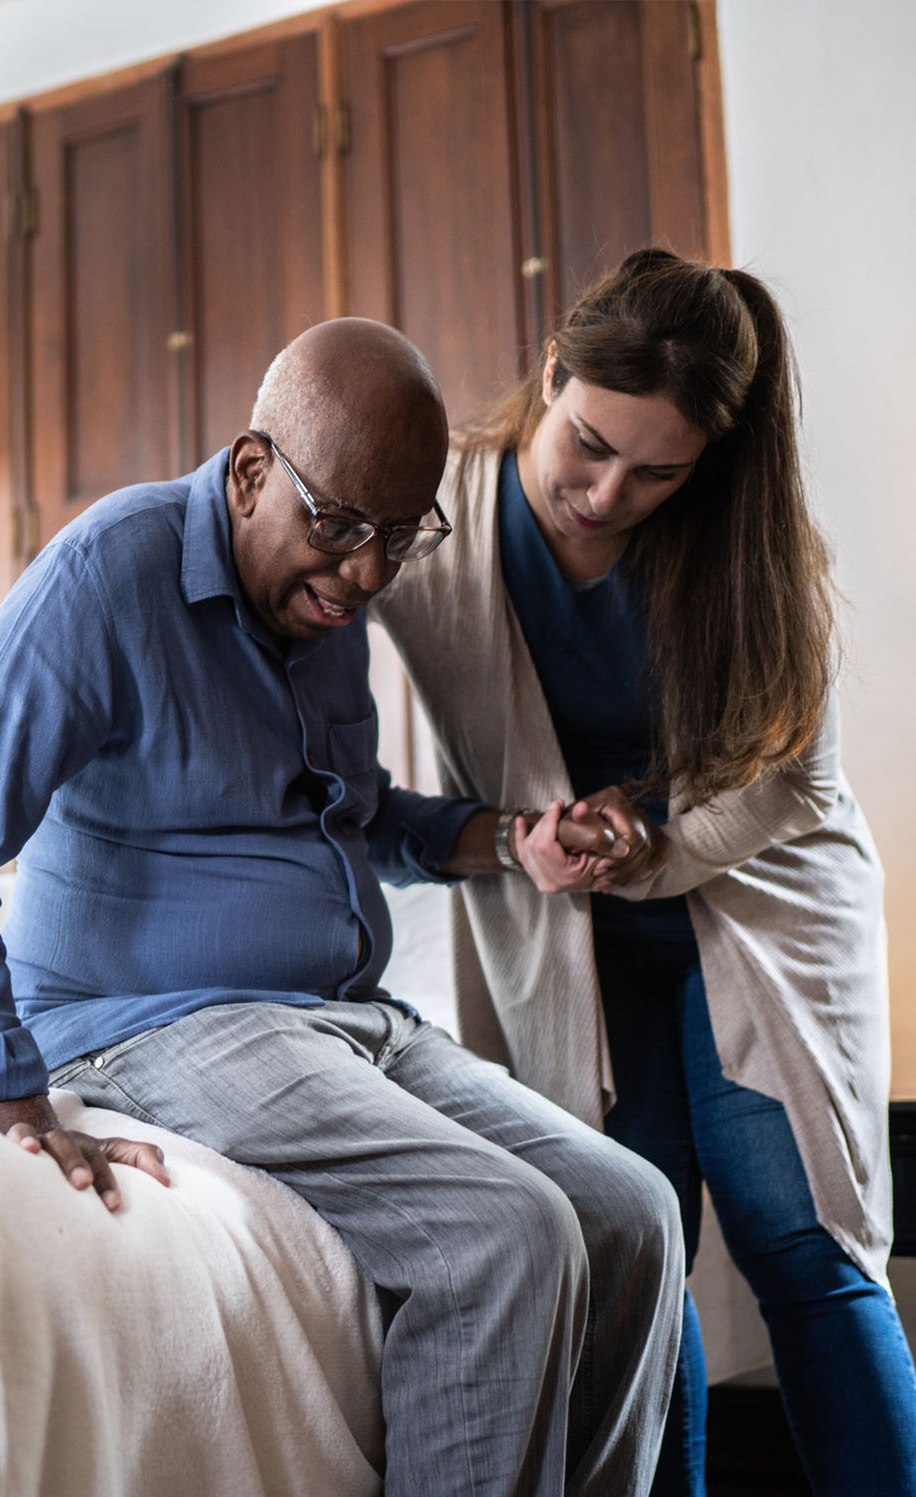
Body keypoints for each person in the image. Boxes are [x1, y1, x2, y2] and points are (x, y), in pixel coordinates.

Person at [0, 317, 684, 1497]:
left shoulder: (321, 608)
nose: (365, 574)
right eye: (340, 527)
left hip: (346, 1017)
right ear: (252, 472)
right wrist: (5, 1101)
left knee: (631, 1212)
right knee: (503, 1238)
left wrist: (503, 837)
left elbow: (350, 814)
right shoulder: (110, 577)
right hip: (158, 1021)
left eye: (399, 538)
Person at [371, 248, 916, 1497]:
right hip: (573, 931)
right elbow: (285, 559)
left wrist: (652, 844)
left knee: (804, 1243)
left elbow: (796, 783)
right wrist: (529, 839)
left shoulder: (751, 546)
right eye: (588, 445)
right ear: (551, 374)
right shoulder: (440, 515)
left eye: (658, 471)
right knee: (632, 1244)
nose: (609, 493)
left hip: (761, 906)